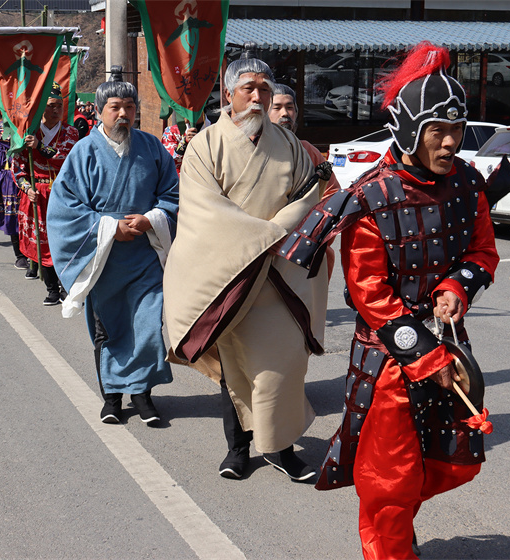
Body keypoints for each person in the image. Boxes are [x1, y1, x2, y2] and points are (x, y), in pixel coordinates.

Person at [277, 42, 500, 559]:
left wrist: (456, 287)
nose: (449, 143)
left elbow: (481, 250)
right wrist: (424, 357)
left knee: (450, 461)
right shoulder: (373, 197)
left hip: (449, 346)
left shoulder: (467, 183)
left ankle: (398, 529)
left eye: (456, 131)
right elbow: (368, 290)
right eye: (436, 132)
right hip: (389, 358)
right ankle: (390, 545)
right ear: (409, 132)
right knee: (390, 478)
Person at [163, 51, 330, 482]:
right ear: (228, 94)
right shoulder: (204, 145)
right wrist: (266, 236)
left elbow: (309, 200)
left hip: (278, 276)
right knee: (232, 368)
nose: (257, 97)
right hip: (229, 274)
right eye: (248, 88)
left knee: (283, 367)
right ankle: (238, 449)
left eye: (265, 89)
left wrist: (275, 233)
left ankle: (281, 447)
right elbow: (204, 211)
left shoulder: (289, 144)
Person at [46, 67, 178, 427]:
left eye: (130, 107)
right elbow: (65, 208)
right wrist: (108, 226)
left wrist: (153, 218)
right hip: (102, 258)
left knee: (149, 325)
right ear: (100, 110)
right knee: (109, 329)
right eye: (115, 107)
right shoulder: (83, 152)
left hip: (145, 255)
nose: (123, 114)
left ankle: (143, 394)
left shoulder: (153, 148)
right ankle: (112, 398)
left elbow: (174, 194)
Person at [12, 83, 78, 306]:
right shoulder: (28, 133)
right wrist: (26, 187)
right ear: (42, 108)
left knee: (65, 241)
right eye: (51, 105)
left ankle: (66, 285)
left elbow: (64, 157)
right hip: (37, 193)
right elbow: (18, 166)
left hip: (64, 194)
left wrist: (39, 147)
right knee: (44, 242)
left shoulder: (71, 132)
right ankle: (51, 288)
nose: (56, 109)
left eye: (59, 105)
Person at [268, 83, 341, 276]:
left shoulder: (308, 151)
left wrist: (310, 232)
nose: (285, 113)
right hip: (266, 243)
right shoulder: (254, 151)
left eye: (290, 107)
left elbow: (333, 195)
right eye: (277, 107)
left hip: (303, 242)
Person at [0, 117, 27, 268]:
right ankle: (19, 254)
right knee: (14, 218)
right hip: (9, 177)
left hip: (30, 175)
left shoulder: (30, 125)